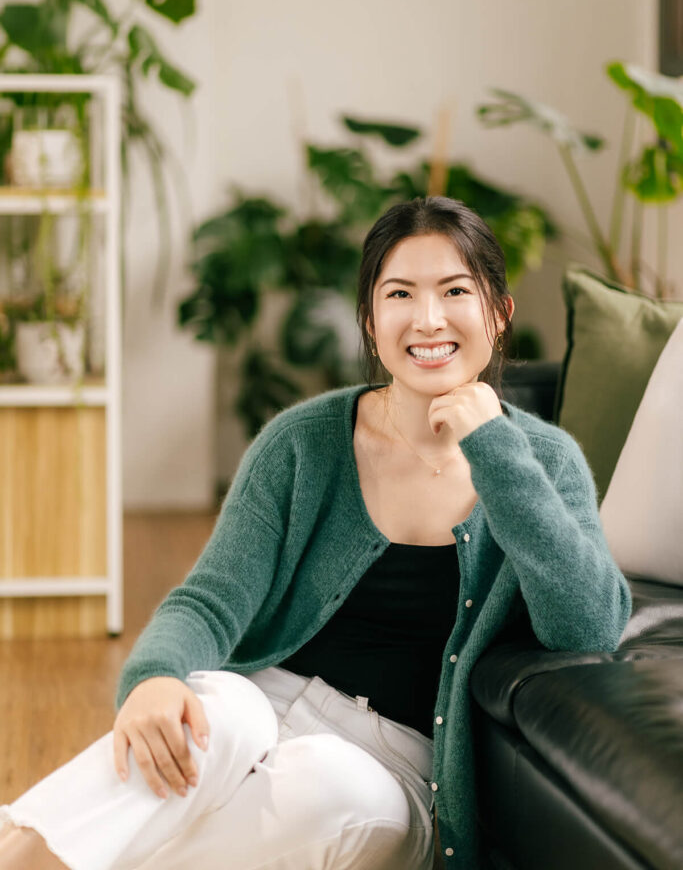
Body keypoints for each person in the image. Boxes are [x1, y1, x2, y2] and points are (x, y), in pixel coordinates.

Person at [0, 196, 632, 870]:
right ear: (369, 319)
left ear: (498, 315)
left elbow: (587, 625)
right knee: (212, 712)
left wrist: (494, 449)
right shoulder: (303, 443)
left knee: (328, 791)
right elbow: (210, 600)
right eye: (399, 294)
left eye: (454, 291)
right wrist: (155, 678)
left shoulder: (542, 461)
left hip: (394, 772)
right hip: (268, 700)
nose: (427, 318)